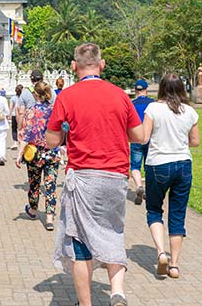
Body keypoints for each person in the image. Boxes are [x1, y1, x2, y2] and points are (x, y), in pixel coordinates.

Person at [46, 43, 142, 306]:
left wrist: (66, 131)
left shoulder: (67, 96)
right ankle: (117, 291)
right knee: (113, 231)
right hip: (115, 176)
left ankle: (86, 303)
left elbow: (52, 140)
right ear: (102, 65)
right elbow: (139, 135)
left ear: (73, 66)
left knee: (79, 241)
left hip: (84, 176)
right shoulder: (120, 95)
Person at [143, 73, 200, 279]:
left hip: (158, 163)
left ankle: (161, 252)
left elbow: (144, 137)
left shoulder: (153, 109)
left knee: (154, 209)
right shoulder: (190, 111)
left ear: (162, 88)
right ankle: (174, 264)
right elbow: (195, 141)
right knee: (177, 214)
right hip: (183, 163)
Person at [15, 81, 59, 231]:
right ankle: (49, 217)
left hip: (35, 153)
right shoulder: (54, 110)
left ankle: (33, 210)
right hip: (51, 151)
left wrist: (20, 153)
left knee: (34, 183)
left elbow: (27, 134)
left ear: (35, 94)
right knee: (50, 184)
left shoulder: (31, 111)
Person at [129, 79, 155, 205]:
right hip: (150, 138)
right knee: (149, 165)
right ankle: (149, 191)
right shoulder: (153, 104)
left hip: (136, 138)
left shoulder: (131, 104)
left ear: (135, 90)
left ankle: (139, 185)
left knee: (135, 166)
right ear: (146, 90)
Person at [9, 85, 23, 149]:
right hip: (22, 115)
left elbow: (11, 107)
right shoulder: (23, 98)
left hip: (14, 115)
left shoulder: (13, 98)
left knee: (14, 129)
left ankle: (15, 142)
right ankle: (21, 142)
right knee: (21, 128)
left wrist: (9, 114)